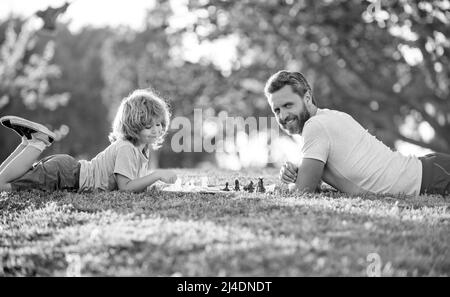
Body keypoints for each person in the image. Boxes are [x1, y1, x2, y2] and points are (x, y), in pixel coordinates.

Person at [265, 70, 450, 197]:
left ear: (307, 98)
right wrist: (301, 172)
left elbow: (303, 191)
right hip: (431, 171)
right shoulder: (327, 117)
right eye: (277, 110)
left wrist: (279, 187)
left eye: (288, 105)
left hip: (433, 177)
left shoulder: (316, 126)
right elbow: (315, 184)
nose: (283, 115)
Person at [0, 89, 177, 193]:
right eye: (149, 126)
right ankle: (38, 142)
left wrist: (153, 184)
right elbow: (126, 187)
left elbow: (134, 181)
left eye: (160, 124)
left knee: (5, 180)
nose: (157, 130)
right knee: (3, 185)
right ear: (133, 126)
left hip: (67, 172)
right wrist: (157, 175)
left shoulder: (141, 149)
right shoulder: (127, 148)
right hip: (66, 176)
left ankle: (26, 142)